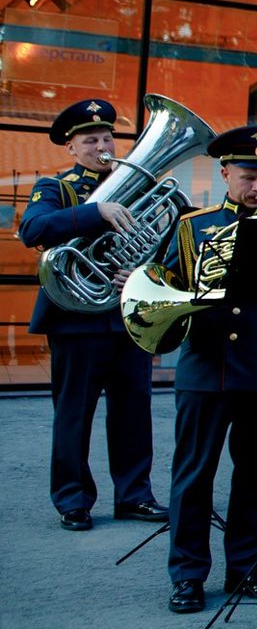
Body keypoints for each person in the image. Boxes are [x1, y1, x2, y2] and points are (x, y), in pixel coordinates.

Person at [161, 126, 257, 614]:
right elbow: (168, 290)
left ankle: (246, 569)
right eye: (248, 176)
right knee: (194, 475)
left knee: (255, 476)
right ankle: (187, 575)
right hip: (207, 366)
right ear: (225, 174)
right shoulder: (192, 226)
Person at [18, 98, 165, 532]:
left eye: (107, 138)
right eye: (91, 140)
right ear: (72, 147)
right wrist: (94, 212)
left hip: (125, 316)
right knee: (74, 412)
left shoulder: (140, 188)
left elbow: (163, 244)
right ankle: (72, 499)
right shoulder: (56, 188)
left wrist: (142, 271)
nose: (102, 146)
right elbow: (33, 229)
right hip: (75, 320)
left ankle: (135, 495)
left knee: (134, 410)